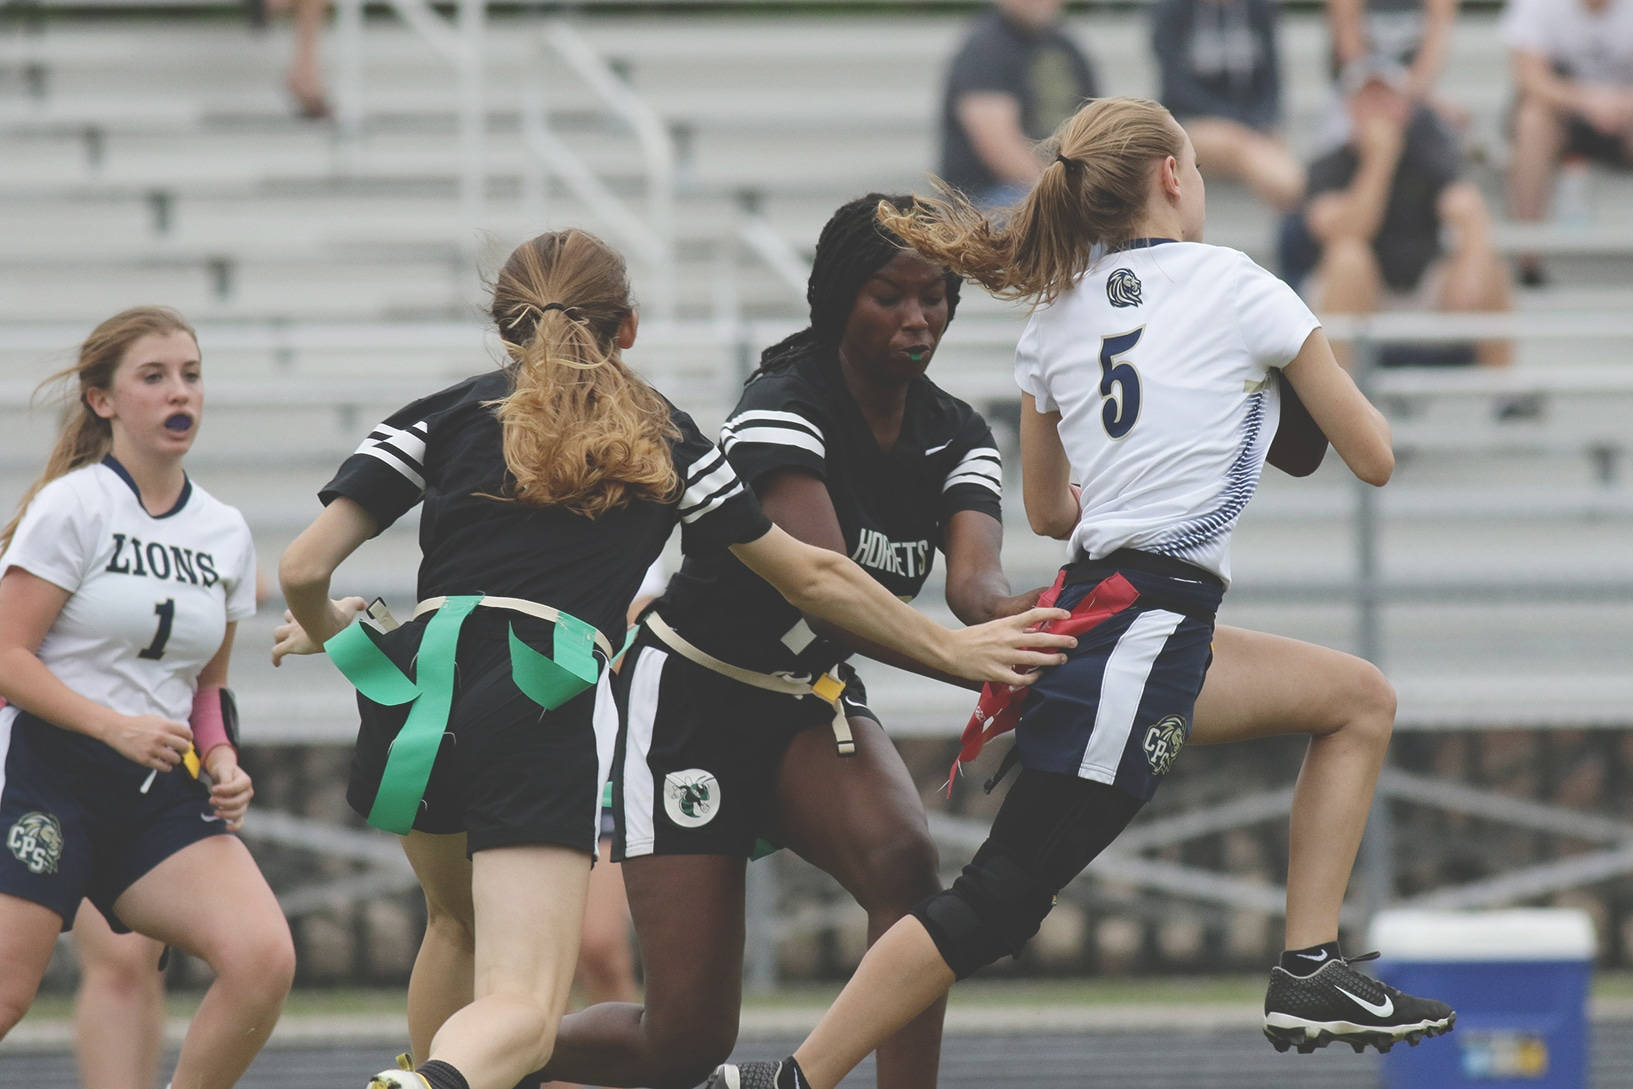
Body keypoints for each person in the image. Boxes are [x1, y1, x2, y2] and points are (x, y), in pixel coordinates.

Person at [703, 96, 1459, 1089]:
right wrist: (1273, 380)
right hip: (1142, 628)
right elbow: (1372, 456)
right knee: (997, 901)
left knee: (1357, 697)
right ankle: (787, 1080)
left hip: (1125, 609)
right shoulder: (1241, 285)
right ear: (1175, 178)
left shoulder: (1055, 312)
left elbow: (1051, 510)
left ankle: (1307, 970)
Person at [269, 228, 1073, 1089]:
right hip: (543, 687)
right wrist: (952, 648)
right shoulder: (660, 433)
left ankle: (434, 1070)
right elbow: (809, 570)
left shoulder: (437, 412)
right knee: (523, 1010)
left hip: (412, 679)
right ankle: (421, 1083)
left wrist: (333, 628)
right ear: (629, 327)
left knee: (453, 924)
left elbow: (301, 569)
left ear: (504, 330)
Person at [509, 194, 1037, 1089]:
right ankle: (475, 1055)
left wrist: (1054, 617)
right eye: (888, 296)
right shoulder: (779, 404)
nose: (918, 319)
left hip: (808, 703)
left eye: (936, 297)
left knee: (904, 867)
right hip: (692, 703)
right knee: (683, 1044)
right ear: (835, 299)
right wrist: (956, 658)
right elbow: (827, 586)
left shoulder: (955, 432)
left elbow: (975, 586)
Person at [0, 306, 296, 1089]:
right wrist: (111, 726)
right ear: (103, 400)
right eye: (155, 376)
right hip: (46, 774)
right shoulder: (76, 504)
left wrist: (224, 758)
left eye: (192, 376)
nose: (180, 394)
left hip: (152, 788)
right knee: (6, 995)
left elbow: (208, 688)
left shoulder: (225, 531)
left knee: (263, 957)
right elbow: (5, 657)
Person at [1295, 64, 1513, 369]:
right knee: (1348, 257)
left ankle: (1504, 392)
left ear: (1406, 109)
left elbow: (1464, 203)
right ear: (1349, 108)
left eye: (1386, 100)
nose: (1377, 110)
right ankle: (1336, 401)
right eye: (1368, 100)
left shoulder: (1428, 155)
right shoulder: (1327, 166)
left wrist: (1472, 265)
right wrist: (1380, 160)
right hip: (1355, 292)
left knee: (1491, 268)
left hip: (1422, 285)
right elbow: (1347, 229)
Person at [1501, 0, 1633, 284]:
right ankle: (1527, 260)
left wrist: (1618, 104)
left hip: (1624, 115)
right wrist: (1589, 101)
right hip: (1561, 115)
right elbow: (1530, 78)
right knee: (1531, 121)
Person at [940, 0, 1099, 207]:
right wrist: (1060, 191)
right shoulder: (985, 47)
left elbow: (1097, 126)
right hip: (991, 195)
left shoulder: (1067, 47)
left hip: (1059, 187)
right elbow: (998, 146)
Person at [1151, 0, 1305, 211]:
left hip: (1251, 127)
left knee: (1265, 147)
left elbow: (1271, 82)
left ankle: (1295, 211)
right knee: (1237, 144)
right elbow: (1176, 86)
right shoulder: (1173, 9)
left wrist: (1262, 122)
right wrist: (1234, 123)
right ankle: (1296, 205)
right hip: (1190, 122)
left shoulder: (1259, 8)